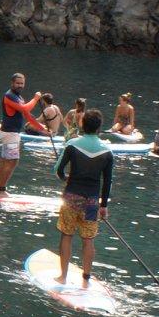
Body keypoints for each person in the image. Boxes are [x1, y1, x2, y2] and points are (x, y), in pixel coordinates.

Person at [54, 109, 114, 288]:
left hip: (71, 196)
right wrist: (103, 206)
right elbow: (108, 182)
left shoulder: (72, 145)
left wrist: (66, 179)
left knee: (67, 235)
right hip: (92, 202)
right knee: (88, 239)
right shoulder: (107, 151)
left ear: (82, 124)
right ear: (99, 128)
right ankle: (85, 280)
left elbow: (58, 170)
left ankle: (63, 277)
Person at [0, 72, 47, 195]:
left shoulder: (19, 98)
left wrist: (42, 130)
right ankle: (0, 190)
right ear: (12, 83)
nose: (20, 85)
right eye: (17, 83)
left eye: (22, 83)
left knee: (5, 161)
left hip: (10, 133)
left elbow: (28, 116)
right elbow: (25, 109)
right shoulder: (9, 95)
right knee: (12, 161)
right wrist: (36, 98)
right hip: (10, 133)